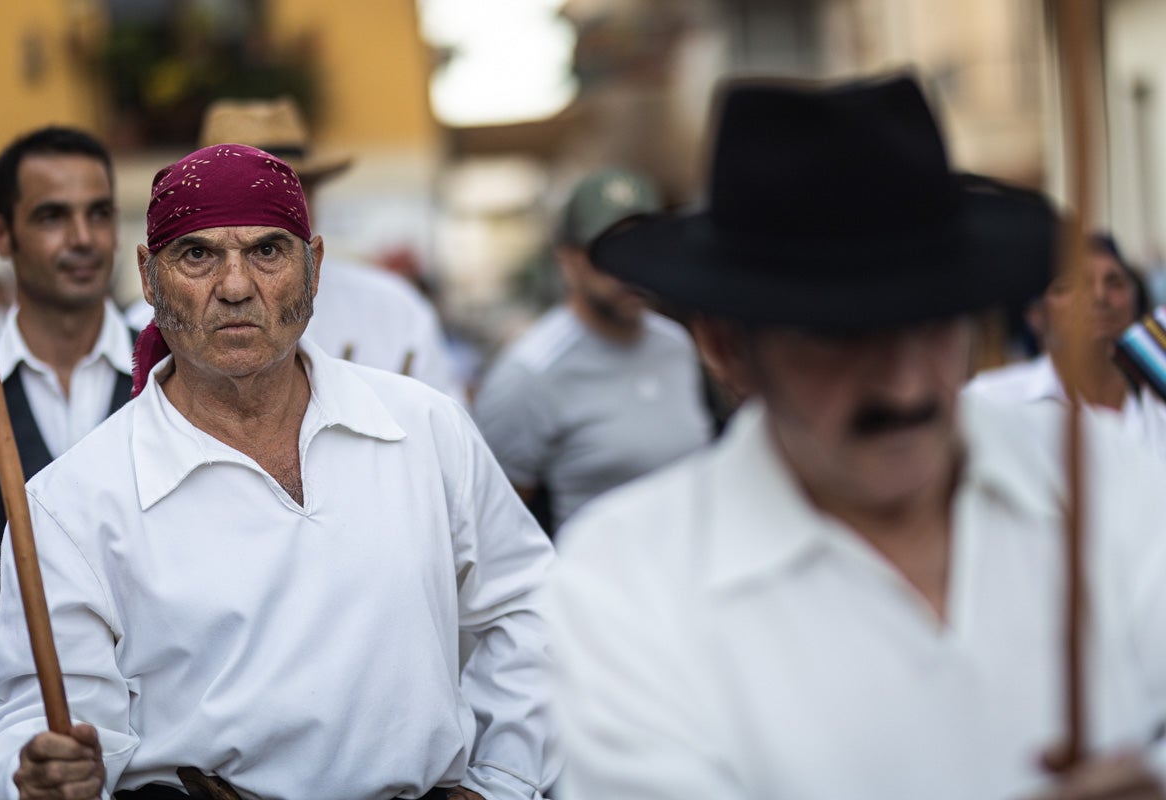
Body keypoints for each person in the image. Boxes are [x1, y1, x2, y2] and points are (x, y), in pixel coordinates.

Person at [546, 74, 1166, 799]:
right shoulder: (628, 584)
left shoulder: (1109, 481)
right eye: (837, 337)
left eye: (931, 322)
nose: (903, 386)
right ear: (727, 348)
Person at [0, 144, 556, 800]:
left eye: (267, 251)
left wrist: (505, 778)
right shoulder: (71, 504)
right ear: (147, 275)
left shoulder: (423, 427)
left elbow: (529, 608)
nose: (234, 286)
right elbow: (36, 730)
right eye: (197, 255)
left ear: (314, 266)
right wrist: (42, 778)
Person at [0, 126, 134, 787]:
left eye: (98, 213)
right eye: (52, 216)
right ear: (1, 235)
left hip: (166, 744)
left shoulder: (177, 385)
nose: (84, 239)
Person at [125, 95, 466, 404]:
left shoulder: (395, 308)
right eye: (199, 254)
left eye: (292, 188)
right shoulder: (149, 328)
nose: (236, 285)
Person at [473, 168, 713, 534]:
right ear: (567, 259)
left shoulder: (676, 345)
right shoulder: (529, 375)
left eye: (644, 247)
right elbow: (497, 532)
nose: (631, 267)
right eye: (608, 251)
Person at [966, 232, 1166, 457]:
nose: (1100, 296)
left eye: (1115, 283)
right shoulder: (989, 403)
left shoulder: (1159, 397)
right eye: (1073, 285)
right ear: (1036, 314)